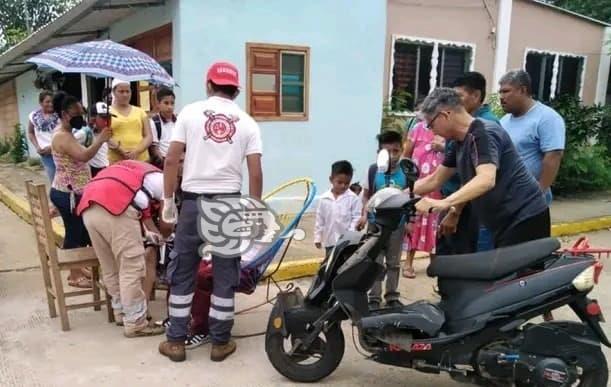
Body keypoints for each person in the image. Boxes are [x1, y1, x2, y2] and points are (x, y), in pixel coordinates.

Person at [158, 61, 263, 363]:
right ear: (237, 90)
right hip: (228, 204)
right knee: (224, 275)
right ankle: (220, 342)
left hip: (192, 203)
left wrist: (167, 201)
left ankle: (176, 341)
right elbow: (255, 173)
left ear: (208, 85)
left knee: (183, 273)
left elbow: (171, 160)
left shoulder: (189, 113)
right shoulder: (247, 122)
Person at [413, 87, 549, 248]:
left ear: (445, 115)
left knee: (521, 272)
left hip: (524, 216)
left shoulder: (484, 133)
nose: (431, 130)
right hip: (501, 219)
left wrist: (445, 203)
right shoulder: (458, 141)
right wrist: (396, 194)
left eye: (430, 124)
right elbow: (435, 179)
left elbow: (486, 179)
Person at [76, 160, 168, 338]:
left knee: (110, 265)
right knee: (131, 267)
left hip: (89, 208)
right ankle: (136, 323)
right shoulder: (165, 180)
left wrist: (153, 236)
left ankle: (121, 312)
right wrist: (165, 236)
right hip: (117, 208)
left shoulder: (136, 173)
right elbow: (167, 219)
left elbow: (145, 216)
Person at [49, 92, 111, 288]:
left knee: (81, 231)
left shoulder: (67, 134)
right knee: (74, 232)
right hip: (68, 194)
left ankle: (78, 266)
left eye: (81, 112)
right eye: (76, 113)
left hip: (73, 191)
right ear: (64, 114)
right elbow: (83, 156)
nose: (80, 116)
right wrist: (100, 140)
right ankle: (74, 275)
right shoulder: (62, 136)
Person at [440, 72, 502, 253]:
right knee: (448, 255)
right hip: (454, 199)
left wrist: (455, 212)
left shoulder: (486, 126)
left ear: (475, 96)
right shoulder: (463, 123)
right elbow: (440, 174)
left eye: (459, 96)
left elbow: (476, 176)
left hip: (471, 206)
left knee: (466, 258)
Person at [499, 70, 566, 205]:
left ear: (522, 90)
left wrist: (539, 192)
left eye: (506, 91)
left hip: (530, 197)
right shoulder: (505, 120)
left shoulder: (547, 118)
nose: (501, 97)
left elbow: (554, 156)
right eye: (500, 92)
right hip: (505, 195)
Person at [358, 130, 408, 310]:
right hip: (375, 225)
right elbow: (365, 196)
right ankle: (374, 298)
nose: (392, 156)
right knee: (375, 262)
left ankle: (392, 296)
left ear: (402, 150)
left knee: (393, 262)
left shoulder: (406, 173)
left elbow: (412, 198)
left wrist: (409, 223)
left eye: (396, 151)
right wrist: (364, 215)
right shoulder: (372, 171)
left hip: (397, 226)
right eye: (387, 152)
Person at [401, 120, 445, 278]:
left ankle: (435, 263)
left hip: (438, 188)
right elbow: (406, 155)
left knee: (436, 224)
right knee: (414, 222)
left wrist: (442, 147)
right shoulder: (418, 128)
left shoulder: (448, 129)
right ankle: (408, 262)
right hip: (418, 185)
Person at [314, 160, 362, 256]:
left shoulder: (353, 198)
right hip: (330, 242)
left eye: (347, 183)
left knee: (345, 266)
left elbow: (356, 218)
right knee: (330, 266)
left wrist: (350, 235)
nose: (343, 186)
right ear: (331, 179)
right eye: (339, 182)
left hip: (348, 243)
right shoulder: (324, 199)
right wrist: (318, 237)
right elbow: (320, 220)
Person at [107, 79, 153, 164]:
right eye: (121, 91)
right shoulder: (107, 112)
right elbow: (106, 136)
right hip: (117, 160)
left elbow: (149, 136)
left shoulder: (140, 112)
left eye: (127, 91)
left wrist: (136, 152)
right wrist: (121, 150)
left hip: (141, 159)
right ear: (113, 92)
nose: (125, 95)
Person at [28, 90, 59, 182]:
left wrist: (52, 147)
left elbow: (67, 134)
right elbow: (30, 132)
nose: (51, 104)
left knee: (65, 181)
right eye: (47, 102)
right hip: (46, 155)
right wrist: (37, 147)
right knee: (53, 180)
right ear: (41, 103)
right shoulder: (33, 116)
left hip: (60, 152)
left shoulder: (60, 115)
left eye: (52, 101)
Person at [149, 87, 176, 168]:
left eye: (172, 103)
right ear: (158, 104)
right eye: (166, 103)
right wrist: (164, 163)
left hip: (178, 160)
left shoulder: (179, 121)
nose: (170, 107)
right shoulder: (154, 122)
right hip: (163, 162)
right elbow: (155, 148)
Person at [85, 102, 111, 177]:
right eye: (103, 118)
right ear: (93, 118)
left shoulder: (104, 131)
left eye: (108, 118)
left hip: (106, 168)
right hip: (94, 171)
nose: (106, 121)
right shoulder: (86, 133)